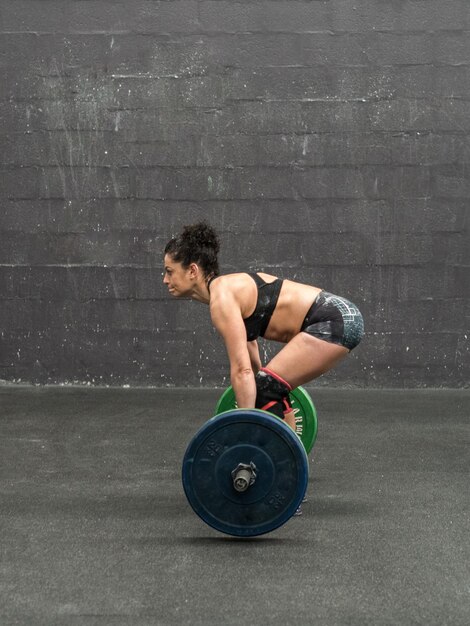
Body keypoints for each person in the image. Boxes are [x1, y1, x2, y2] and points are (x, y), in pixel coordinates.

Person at [163, 222, 364, 432]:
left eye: (170, 271)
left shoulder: (222, 298)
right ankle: (290, 458)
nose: (165, 280)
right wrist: (259, 400)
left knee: (266, 388)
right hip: (341, 316)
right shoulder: (229, 291)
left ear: (193, 270)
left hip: (334, 319)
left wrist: (246, 430)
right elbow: (253, 365)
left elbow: (242, 371)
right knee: (269, 387)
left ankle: (281, 457)